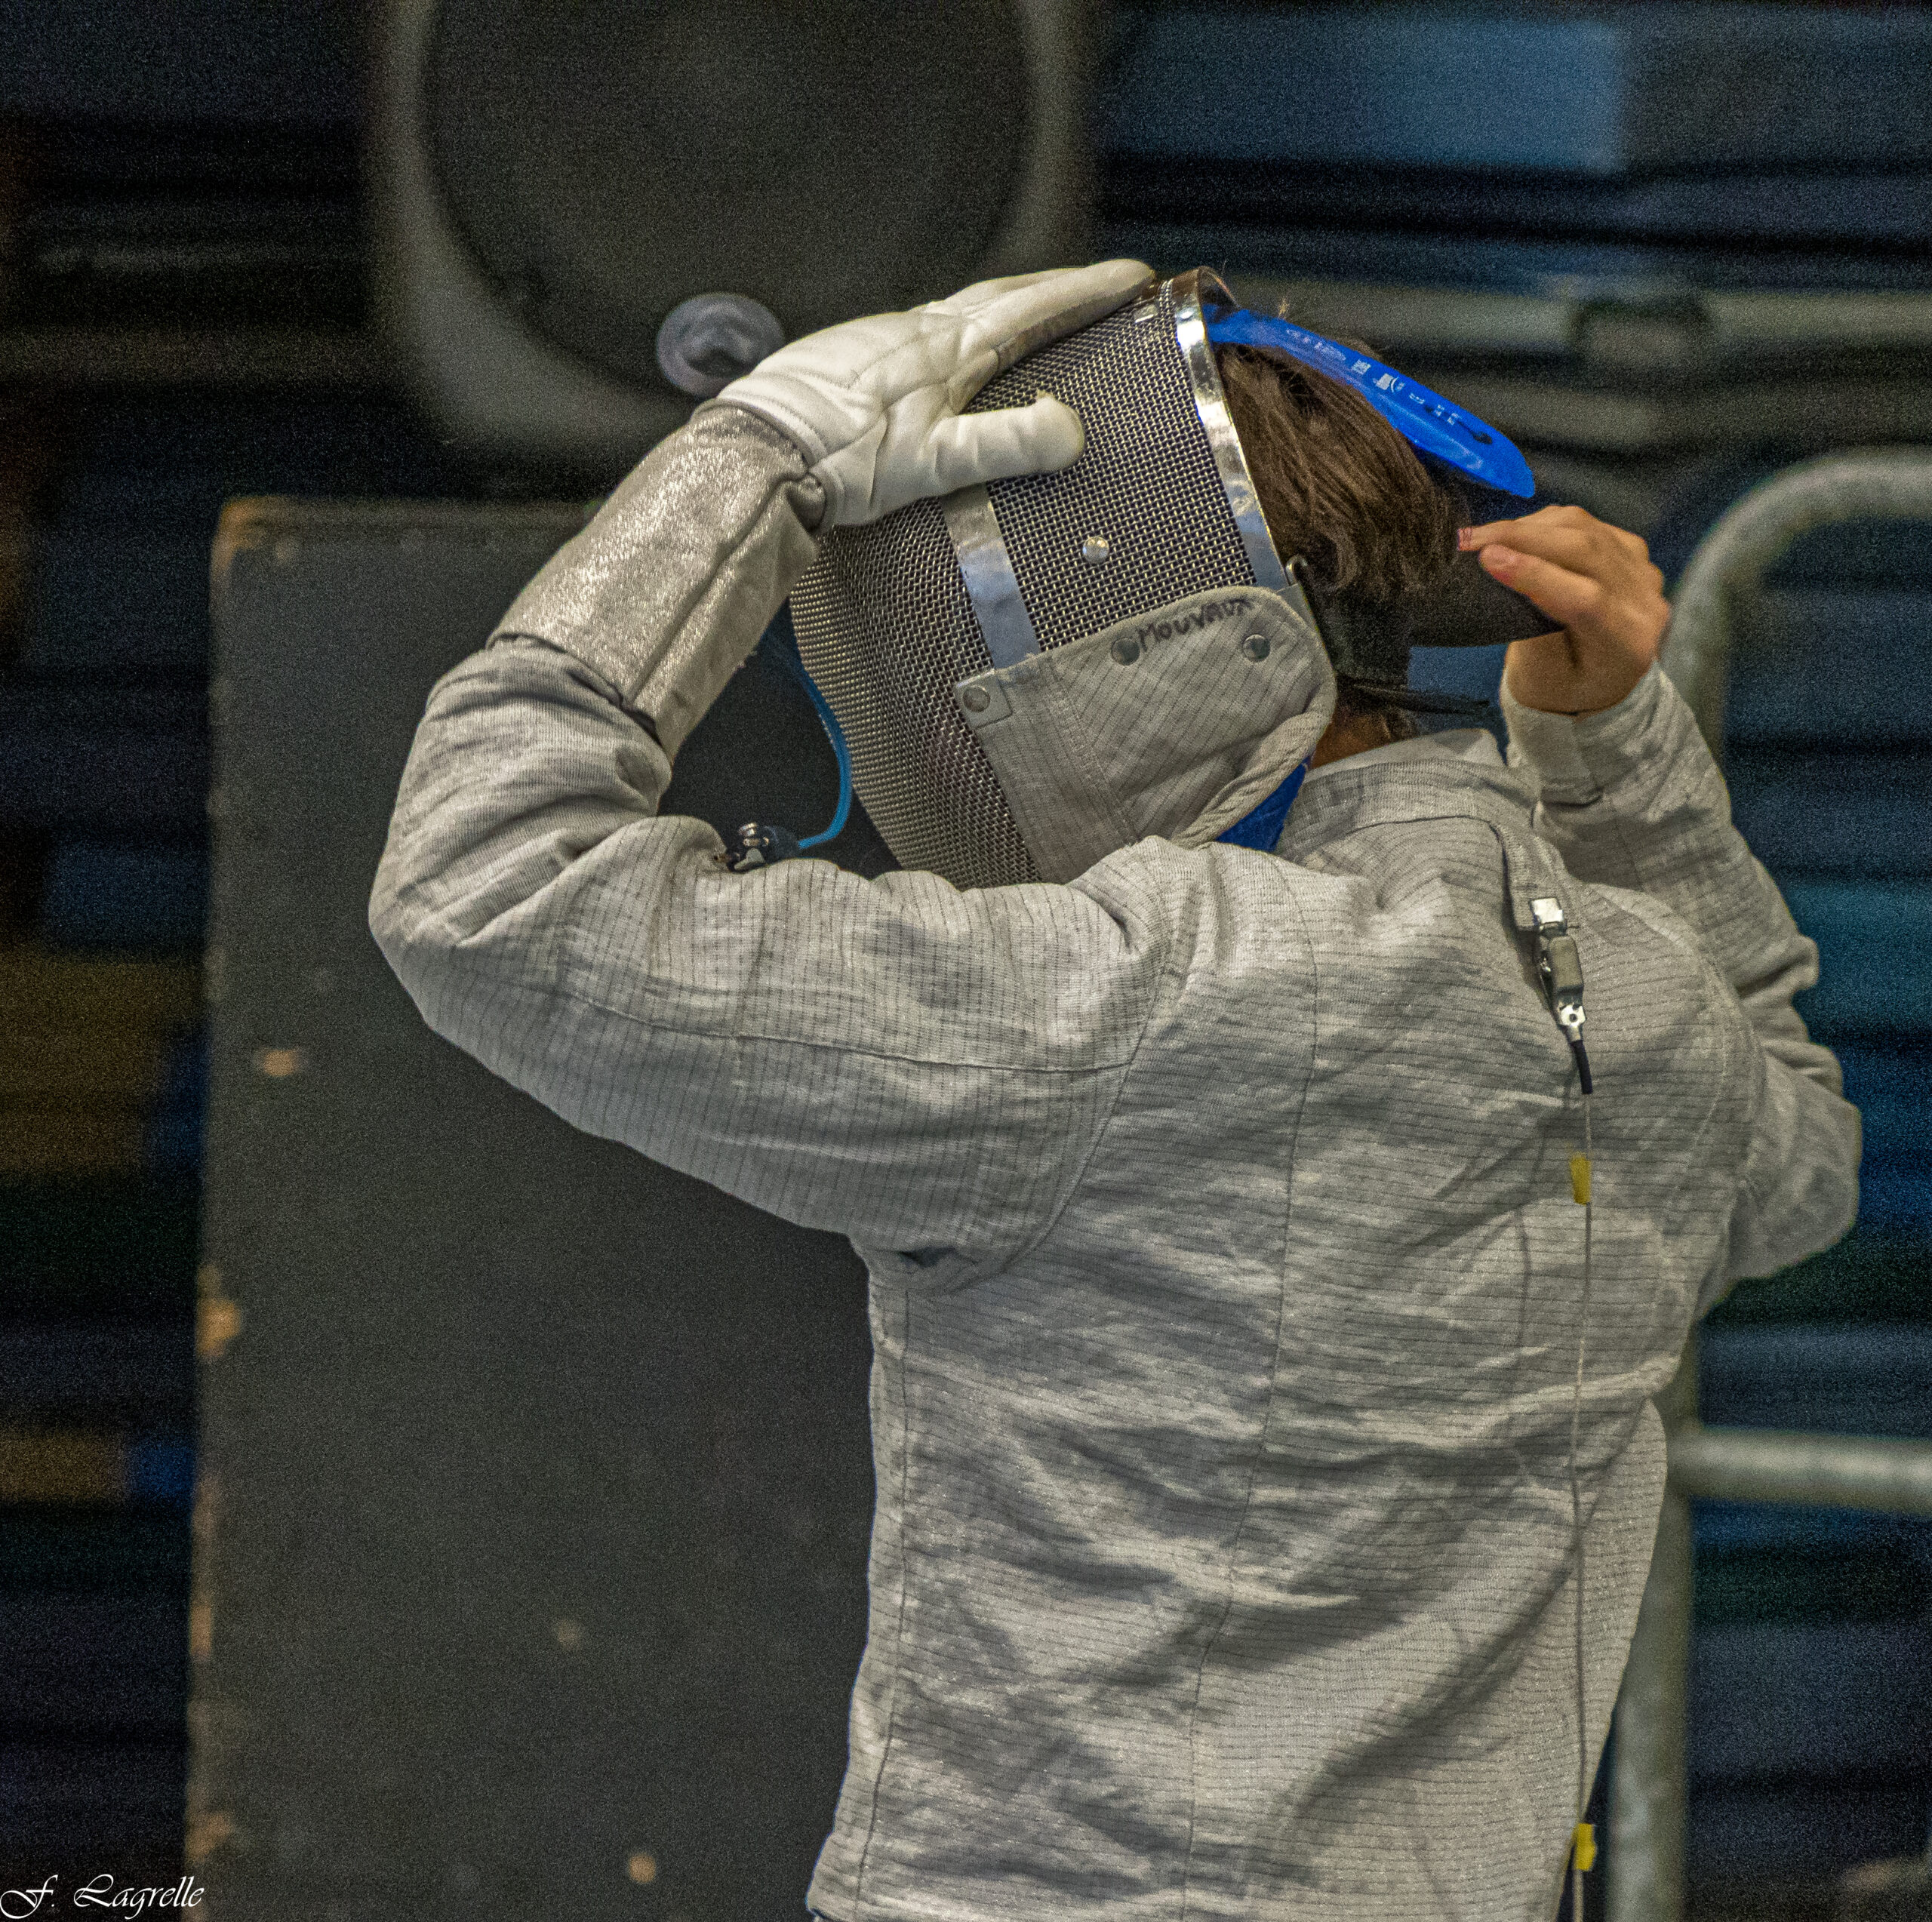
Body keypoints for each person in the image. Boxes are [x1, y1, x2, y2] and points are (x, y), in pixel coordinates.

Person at [369, 261, 1859, 1920]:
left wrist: (745, 466)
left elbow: (483, 889)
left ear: (1147, 653)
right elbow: (1798, 1155)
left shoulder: (1120, 995)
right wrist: (1614, 754)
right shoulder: (1646, 1006)